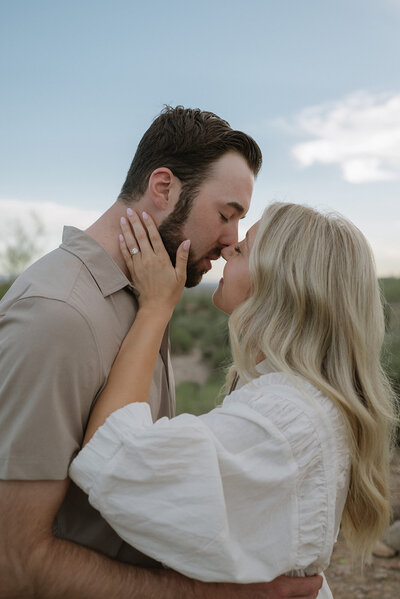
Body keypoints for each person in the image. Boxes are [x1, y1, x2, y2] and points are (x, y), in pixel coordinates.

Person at [0, 107, 322, 598]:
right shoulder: (58, 316)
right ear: (164, 188)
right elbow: (15, 562)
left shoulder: (150, 291)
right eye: (226, 214)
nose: (233, 239)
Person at [70, 202, 397, 598]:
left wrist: (155, 308)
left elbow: (115, 455)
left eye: (241, 250)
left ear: (281, 282)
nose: (226, 250)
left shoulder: (284, 416)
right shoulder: (293, 395)